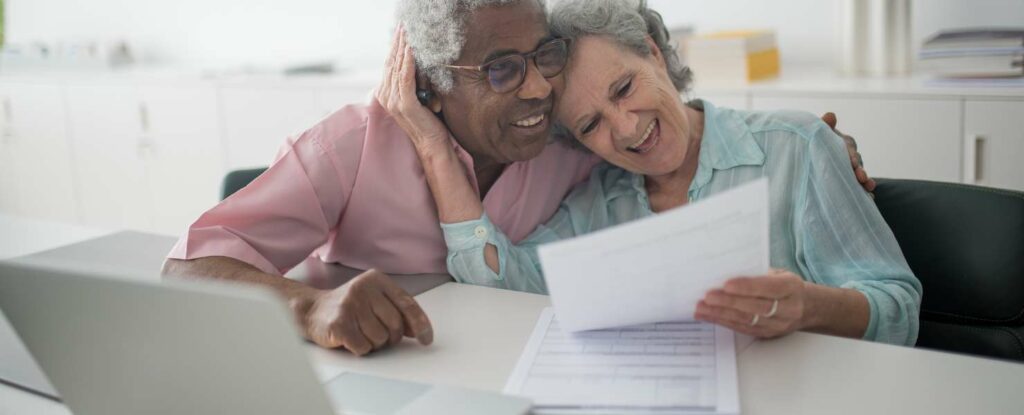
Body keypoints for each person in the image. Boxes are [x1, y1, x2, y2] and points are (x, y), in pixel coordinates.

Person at [163, 0, 875, 356]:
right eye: (503, 70)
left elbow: (665, 128)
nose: (537, 88)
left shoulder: (571, 145)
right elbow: (187, 269)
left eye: (545, 57)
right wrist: (307, 307)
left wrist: (811, 139)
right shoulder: (352, 145)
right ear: (433, 83)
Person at [385, 0, 920, 345]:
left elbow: (897, 308)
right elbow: (504, 283)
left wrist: (808, 306)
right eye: (591, 124)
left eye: (624, 88)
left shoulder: (796, 147)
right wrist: (434, 148)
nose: (624, 129)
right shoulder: (601, 199)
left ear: (654, 55)